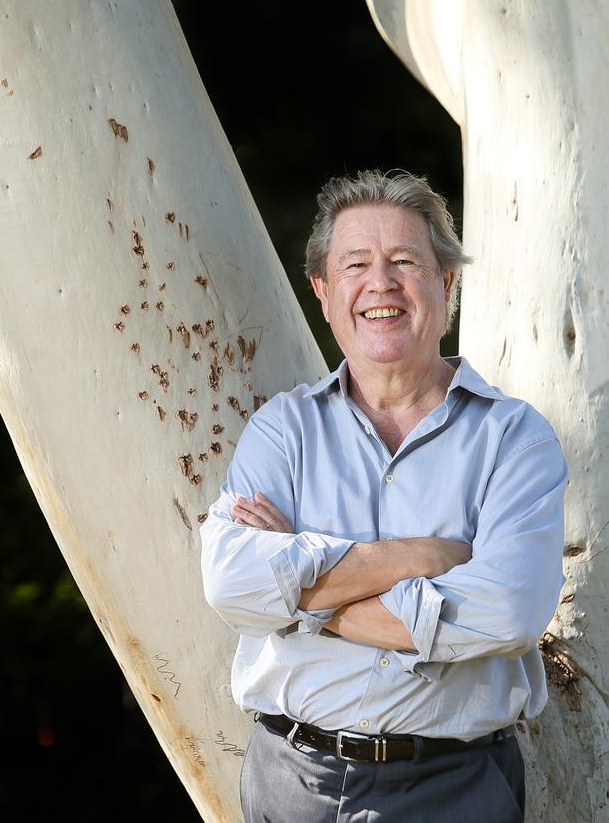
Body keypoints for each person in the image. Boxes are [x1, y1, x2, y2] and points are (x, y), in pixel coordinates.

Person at [200, 169, 568, 823]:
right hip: (289, 784)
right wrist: (413, 554)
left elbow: (508, 612)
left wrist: (303, 597)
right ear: (323, 289)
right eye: (357, 265)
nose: (382, 284)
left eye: (404, 261)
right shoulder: (282, 430)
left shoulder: (515, 440)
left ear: (445, 282)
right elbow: (231, 582)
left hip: (452, 789)